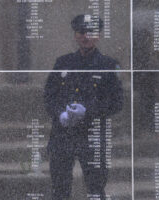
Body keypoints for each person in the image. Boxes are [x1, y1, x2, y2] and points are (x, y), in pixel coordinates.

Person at [44, 14, 123, 200]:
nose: (86, 36)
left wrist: (88, 111)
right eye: (81, 32)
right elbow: (49, 95)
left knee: (96, 190)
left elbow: (116, 102)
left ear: (99, 35)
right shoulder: (62, 62)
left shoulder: (108, 65)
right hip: (63, 134)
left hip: (93, 134)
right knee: (60, 189)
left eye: (91, 32)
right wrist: (60, 114)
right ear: (75, 35)